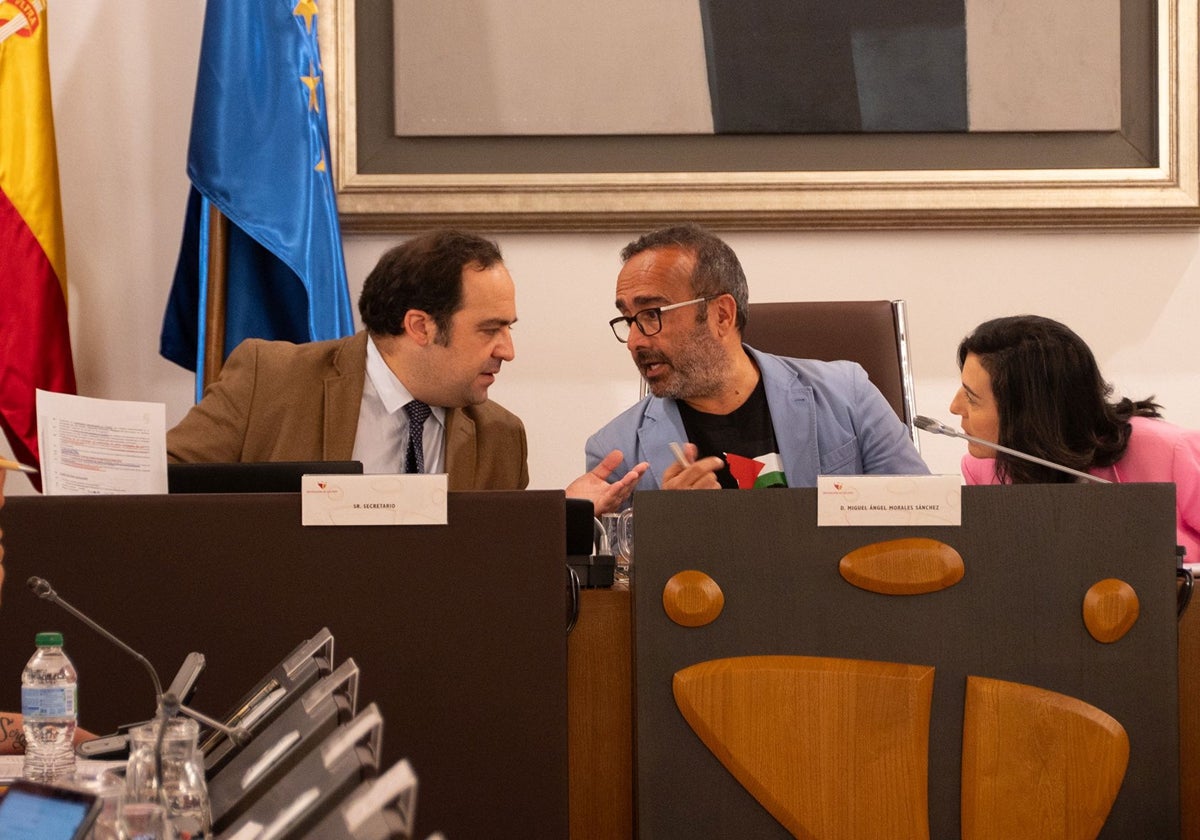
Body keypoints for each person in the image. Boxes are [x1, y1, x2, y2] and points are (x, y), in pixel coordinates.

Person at [168, 229, 644, 513]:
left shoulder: (499, 436)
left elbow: (493, 566)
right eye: (490, 329)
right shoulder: (269, 379)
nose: (508, 350)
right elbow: (159, 487)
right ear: (420, 326)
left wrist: (561, 517)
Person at [585, 223, 929, 493]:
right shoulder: (617, 454)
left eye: (651, 314)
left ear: (721, 315)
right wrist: (673, 528)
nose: (633, 341)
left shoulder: (847, 396)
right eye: (628, 320)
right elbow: (620, 577)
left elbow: (927, 520)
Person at [950, 314, 1200, 562]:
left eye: (971, 398)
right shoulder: (982, 468)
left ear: (1031, 413)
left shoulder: (1173, 451)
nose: (955, 407)